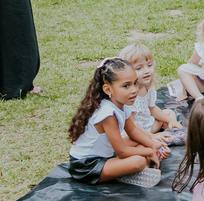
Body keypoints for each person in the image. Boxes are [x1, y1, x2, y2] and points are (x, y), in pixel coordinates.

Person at [67, 58, 170, 188]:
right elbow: (121, 152)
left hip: (106, 154)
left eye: (135, 83)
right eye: (126, 86)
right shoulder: (108, 114)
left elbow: (132, 130)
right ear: (108, 89)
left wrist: (153, 145)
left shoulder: (123, 103)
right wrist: (149, 152)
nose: (134, 90)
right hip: (87, 166)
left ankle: (130, 169)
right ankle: (128, 171)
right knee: (138, 161)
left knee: (140, 142)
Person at [118, 43, 182, 137]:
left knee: (170, 113)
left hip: (149, 125)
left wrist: (170, 121)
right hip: (134, 132)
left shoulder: (148, 88)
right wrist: (151, 137)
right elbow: (130, 126)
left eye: (149, 65)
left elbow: (152, 108)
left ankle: (172, 135)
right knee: (126, 138)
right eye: (139, 68)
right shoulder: (127, 96)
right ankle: (158, 137)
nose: (147, 71)